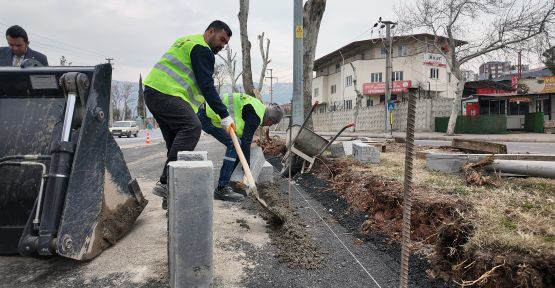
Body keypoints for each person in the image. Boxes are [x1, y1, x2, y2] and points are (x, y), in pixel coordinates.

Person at [144, 20, 234, 199]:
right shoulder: (202, 50)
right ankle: (166, 182)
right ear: (210, 31)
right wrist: (224, 115)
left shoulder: (186, 40)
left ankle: (170, 197)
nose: (222, 46)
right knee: (192, 127)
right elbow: (207, 86)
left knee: (176, 144)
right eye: (221, 40)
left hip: (153, 91)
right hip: (167, 93)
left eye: (225, 43)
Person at [198, 93, 283, 202]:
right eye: (271, 123)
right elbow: (245, 143)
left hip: (210, 111)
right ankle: (221, 188)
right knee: (234, 145)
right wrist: (246, 167)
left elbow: (244, 141)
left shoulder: (258, 109)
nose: (269, 125)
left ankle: (228, 183)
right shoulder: (256, 115)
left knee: (236, 145)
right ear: (270, 119)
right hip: (207, 115)